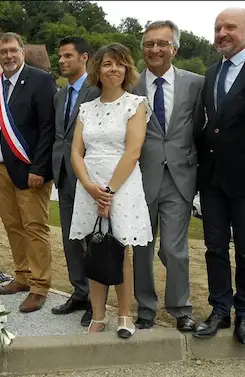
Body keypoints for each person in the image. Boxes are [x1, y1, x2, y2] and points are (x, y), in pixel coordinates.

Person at [69, 43, 153, 339]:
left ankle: (125, 314)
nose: (113, 69)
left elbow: (133, 151)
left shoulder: (136, 104)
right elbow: (76, 152)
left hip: (122, 185)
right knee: (94, 248)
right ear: (97, 69)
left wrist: (108, 192)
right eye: (107, 64)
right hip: (89, 184)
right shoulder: (86, 109)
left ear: (127, 68)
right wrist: (91, 187)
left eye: (119, 63)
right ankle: (99, 314)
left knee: (120, 251)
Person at [131, 21, 203, 333]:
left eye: (162, 44)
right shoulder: (130, 84)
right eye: (149, 44)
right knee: (141, 248)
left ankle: (180, 309)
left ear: (174, 48)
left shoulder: (196, 84)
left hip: (180, 177)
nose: (155, 50)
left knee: (175, 249)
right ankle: (145, 308)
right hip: (139, 178)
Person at [0, 32, 57, 313]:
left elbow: (48, 128)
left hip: (29, 169)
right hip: (0, 167)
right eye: (3, 52)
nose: (9, 56)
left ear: (23, 52)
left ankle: (39, 286)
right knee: (13, 225)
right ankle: (23, 276)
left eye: (13, 50)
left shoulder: (41, 81)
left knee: (34, 227)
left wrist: (39, 168)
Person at [193, 7, 245, 344]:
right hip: (211, 179)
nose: (222, 33)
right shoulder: (211, 73)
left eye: (230, 27)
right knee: (214, 247)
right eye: (217, 28)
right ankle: (220, 310)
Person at [51, 36, 100, 327]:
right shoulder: (59, 95)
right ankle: (79, 291)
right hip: (64, 175)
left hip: (91, 176)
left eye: (67, 55)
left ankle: (97, 300)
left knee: (91, 240)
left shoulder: (97, 92)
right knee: (70, 237)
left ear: (84, 57)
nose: (61, 61)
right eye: (60, 56)